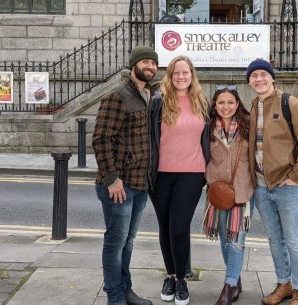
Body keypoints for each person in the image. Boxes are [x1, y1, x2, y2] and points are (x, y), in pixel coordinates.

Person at [246, 58, 298, 305]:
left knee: (294, 239)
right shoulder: (254, 105)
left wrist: (295, 177)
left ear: (272, 77)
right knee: (274, 239)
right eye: (253, 76)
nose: (258, 79)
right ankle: (284, 284)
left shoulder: (292, 104)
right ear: (249, 81)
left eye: (262, 74)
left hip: (287, 186)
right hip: (261, 185)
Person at [93, 45, 159, 305]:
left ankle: (126, 289)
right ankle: (115, 297)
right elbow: (101, 139)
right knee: (115, 241)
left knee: (128, 242)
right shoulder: (118, 96)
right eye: (145, 62)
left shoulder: (150, 94)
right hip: (119, 185)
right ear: (133, 65)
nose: (150, 67)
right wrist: (112, 179)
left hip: (140, 183)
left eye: (153, 63)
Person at [148, 55, 210, 305]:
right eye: (176, 73)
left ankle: (183, 279)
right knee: (165, 227)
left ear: (192, 75)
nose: (181, 77)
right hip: (160, 175)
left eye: (185, 73)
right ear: (170, 76)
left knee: (179, 228)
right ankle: (171, 276)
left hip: (192, 174)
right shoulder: (158, 101)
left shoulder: (202, 102)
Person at [203, 85, 255, 305]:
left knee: (236, 240)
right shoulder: (206, 128)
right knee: (225, 239)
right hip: (217, 191)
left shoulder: (248, 125)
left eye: (230, 102)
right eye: (221, 102)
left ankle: (228, 286)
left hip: (241, 191)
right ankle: (235, 279)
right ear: (215, 105)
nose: (226, 107)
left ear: (237, 104)